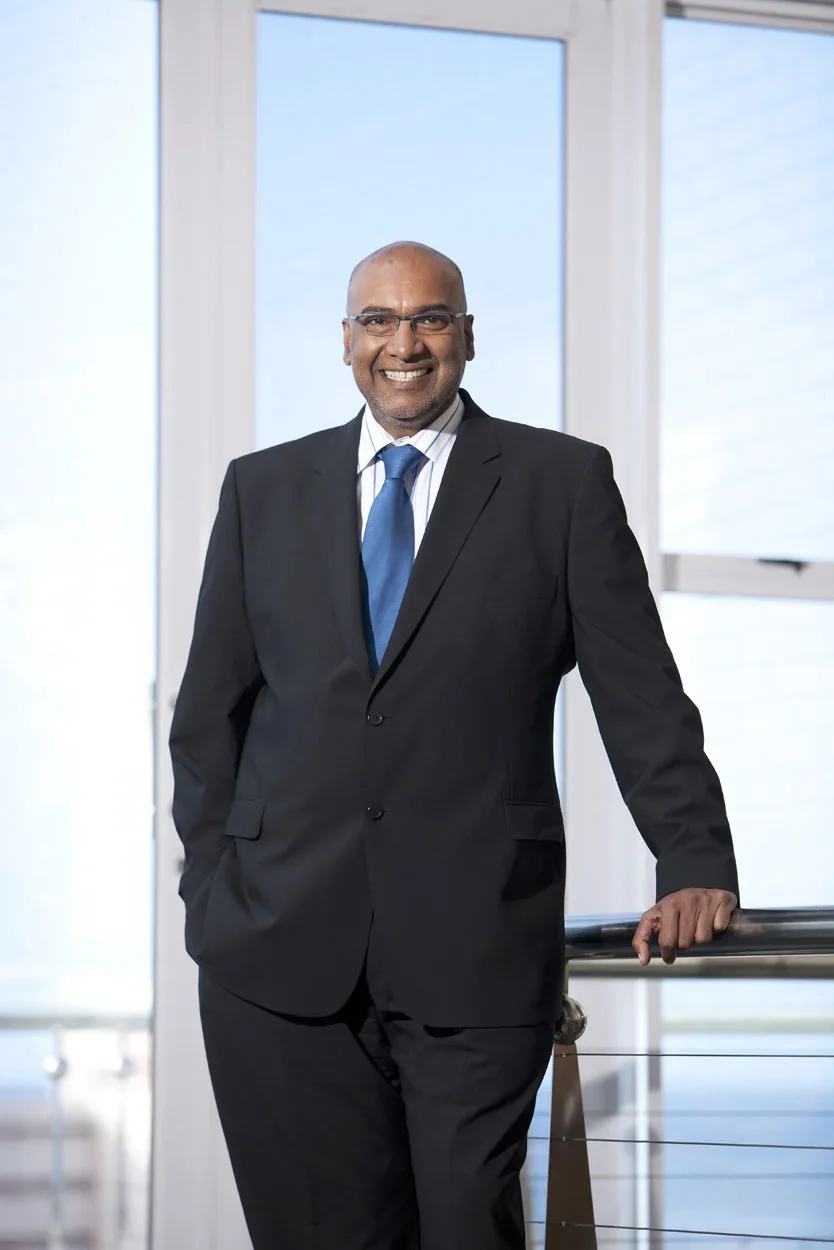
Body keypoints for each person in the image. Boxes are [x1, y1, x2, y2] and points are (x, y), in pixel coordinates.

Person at [170, 241, 739, 1250]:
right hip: (276, 955)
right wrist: (212, 890)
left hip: (477, 945)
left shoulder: (558, 484)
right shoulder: (263, 492)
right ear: (346, 342)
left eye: (429, 317)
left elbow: (641, 693)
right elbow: (209, 717)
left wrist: (692, 859)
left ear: (467, 336)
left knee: (470, 1229)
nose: (405, 342)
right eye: (379, 320)